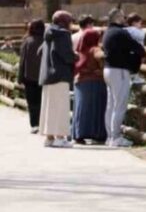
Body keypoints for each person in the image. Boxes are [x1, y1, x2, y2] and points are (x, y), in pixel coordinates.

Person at [102, 8, 146, 148]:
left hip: (108, 69)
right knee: (119, 105)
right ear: (116, 18)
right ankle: (116, 137)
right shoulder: (121, 33)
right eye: (121, 16)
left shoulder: (107, 32)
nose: (124, 18)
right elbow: (137, 47)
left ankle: (109, 136)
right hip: (119, 71)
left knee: (110, 106)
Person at [39, 11, 76, 148]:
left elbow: (41, 52)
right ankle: (60, 137)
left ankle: (49, 138)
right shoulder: (63, 34)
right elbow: (66, 55)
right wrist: (76, 57)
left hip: (47, 76)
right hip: (60, 74)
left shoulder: (48, 33)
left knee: (49, 107)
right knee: (61, 107)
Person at [71, 16, 108, 144]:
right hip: (95, 82)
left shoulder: (80, 51)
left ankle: (78, 133)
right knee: (96, 109)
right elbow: (102, 56)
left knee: (81, 109)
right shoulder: (94, 49)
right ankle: (96, 133)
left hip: (80, 82)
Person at [17, 19, 45, 133]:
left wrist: (20, 77)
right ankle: (43, 123)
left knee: (32, 102)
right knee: (42, 101)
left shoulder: (27, 41)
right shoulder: (46, 41)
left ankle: (35, 124)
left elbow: (22, 61)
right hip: (43, 76)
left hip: (29, 77)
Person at [125, 13, 146, 85]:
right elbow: (141, 36)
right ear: (134, 23)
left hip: (128, 53)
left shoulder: (125, 30)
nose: (141, 26)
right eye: (140, 23)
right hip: (135, 53)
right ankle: (134, 77)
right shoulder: (134, 30)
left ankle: (133, 77)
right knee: (135, 65)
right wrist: (143, 31)